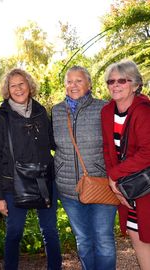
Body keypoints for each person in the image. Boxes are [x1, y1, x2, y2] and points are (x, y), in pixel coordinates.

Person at [0, 68, 62, 270]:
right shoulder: (1, 117)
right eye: (13, 85)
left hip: (44, 181)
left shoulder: (40, 112)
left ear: (29, 86)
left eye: (22, 84)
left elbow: (54, 143)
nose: (19, 89)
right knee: (14, 232)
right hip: (13, 184)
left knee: (50, 231)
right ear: (7, 90)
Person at [52, 65, 117, 270]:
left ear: (89, 84)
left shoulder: (104, 108)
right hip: (69, 187)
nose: (73, 85)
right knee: (84, 241)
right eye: (69, 81)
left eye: (79, 80)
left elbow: (115, 144)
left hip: (101, 184)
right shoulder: (56, 111)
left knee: (104, 240)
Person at [101, 59, 150, 270]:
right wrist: (117, 184)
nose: (115, 85)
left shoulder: (144, 111)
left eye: (122, 80)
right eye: (110, 81)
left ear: (135, 84)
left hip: (147, 187)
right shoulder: (106, 112)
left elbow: (148, 152)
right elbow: (108, 149)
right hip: (127, 187)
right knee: (135, 233)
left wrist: (114, 176)